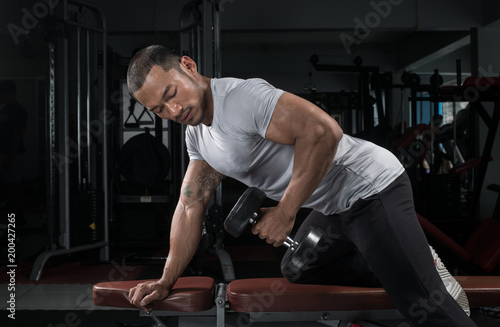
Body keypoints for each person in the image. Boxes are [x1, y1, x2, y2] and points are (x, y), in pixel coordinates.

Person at [126, 45, 476, 326]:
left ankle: (417, 270)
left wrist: (285, 211)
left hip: (369, 189)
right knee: (300, 266)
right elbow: (190, 205)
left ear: (187, 65)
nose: (172, 109)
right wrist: (165, 280)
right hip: (332, 206)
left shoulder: (240, 99)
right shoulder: (198, 136)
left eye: (171, 93)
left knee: (421, 304)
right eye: (159, 110)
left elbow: (323, 131)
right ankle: (402, 259)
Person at [0, 80, 28, 214]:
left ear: (9, 93)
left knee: (13, 187)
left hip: (13, 155)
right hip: (5, 153)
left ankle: (17, 220)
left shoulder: (18, 111)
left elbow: (18, 135)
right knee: (8, 187)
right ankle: (14, 220)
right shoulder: (4, 110)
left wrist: (10, 156)